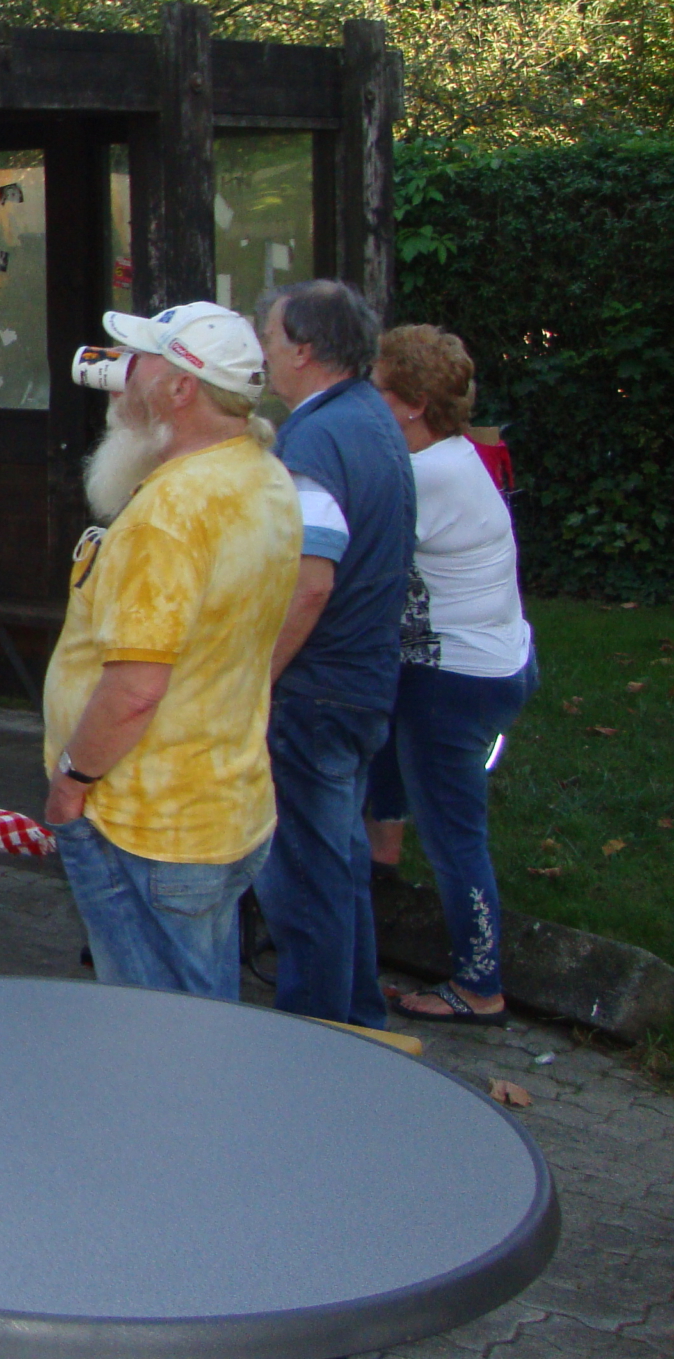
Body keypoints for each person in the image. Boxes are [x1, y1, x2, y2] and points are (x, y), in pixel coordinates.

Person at [41, 303, 302, 997]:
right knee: (199, 1012)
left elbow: (135, 690)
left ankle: (182, 1112)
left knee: (159, 1032)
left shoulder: (172, 511)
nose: (122, 375)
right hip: (224, 799)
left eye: (142, 361)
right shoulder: (260, 472)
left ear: (181, 388)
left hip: (147, 820)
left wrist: (73, 779)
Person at [255, 280, 415, 1030]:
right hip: (362, 680)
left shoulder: (314, 437)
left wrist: (259, 680)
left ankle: (316, 1036)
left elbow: (310, 584)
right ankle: (356, 1017)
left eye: (270, 342)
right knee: (341, 861)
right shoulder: (372, 419)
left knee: (309, 877)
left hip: (318, 689)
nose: (265, 357)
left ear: (306, 350)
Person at [369, 325, 535, 1024]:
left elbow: (356, 564)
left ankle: (478, 985)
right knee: (386, 779)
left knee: (456, 835)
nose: (369, 397)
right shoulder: (457, 455)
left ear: (409, 403)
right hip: (491, 662)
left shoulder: (424, 475)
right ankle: (377, 901)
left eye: (378, 387)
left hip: (454, 683)